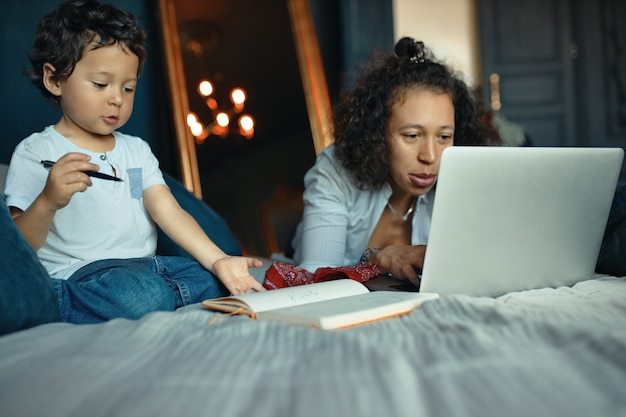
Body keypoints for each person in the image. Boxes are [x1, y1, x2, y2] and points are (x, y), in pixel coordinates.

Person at [4, 0, 264, 324]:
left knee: (214, 280)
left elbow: (166, 210)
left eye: (128, 88)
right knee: (144, 293)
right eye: (101, 84)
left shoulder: (136, 151)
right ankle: (56, 302)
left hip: (150, 267)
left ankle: (161, 295)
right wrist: (47, 201)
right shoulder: (35, 151)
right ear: (54, 79)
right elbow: (19, 247)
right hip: (87, 275)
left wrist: (219, 261)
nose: (117, 98)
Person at [290, 37, 500, 286]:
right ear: (377, 133)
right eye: (412, 136)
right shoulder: (335, 171)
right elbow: (314, 279)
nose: (431, 156)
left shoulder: (463, 178)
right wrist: (375, 261)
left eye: (444, 137)